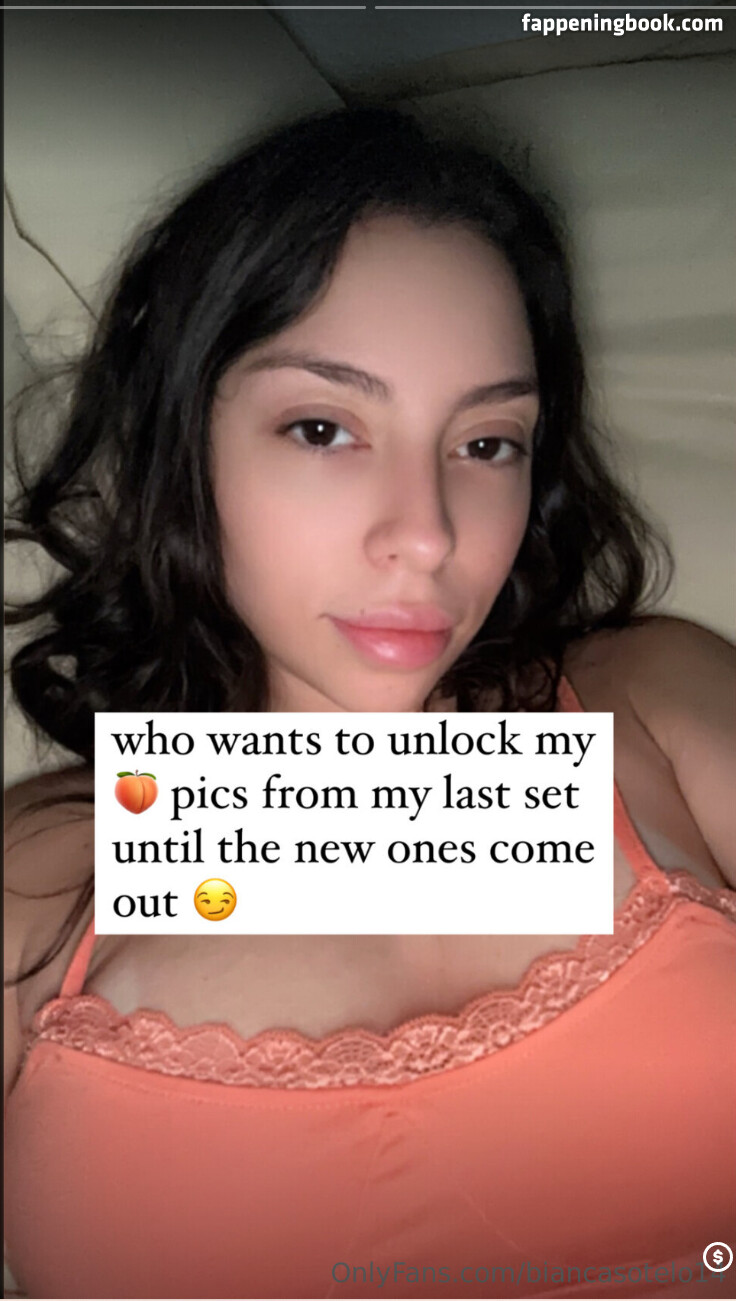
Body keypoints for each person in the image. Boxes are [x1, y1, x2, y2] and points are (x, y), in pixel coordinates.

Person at [4, 106, 735, 1300]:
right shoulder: (54, 872)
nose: (427, 533)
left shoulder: (647, 703)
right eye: (324, 427)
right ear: (182, 443)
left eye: (487, 443)